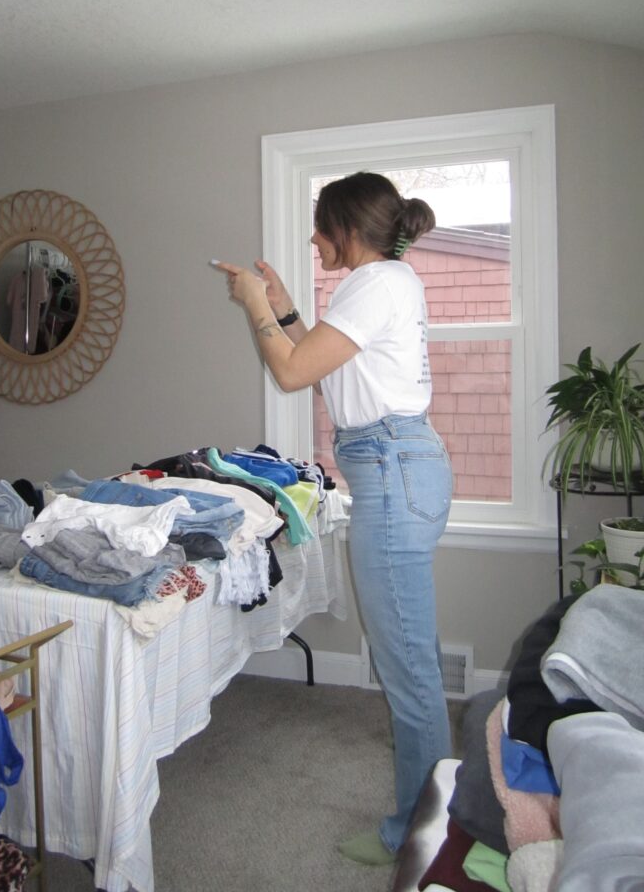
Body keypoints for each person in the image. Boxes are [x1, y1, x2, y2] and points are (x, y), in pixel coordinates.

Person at [213, 171, 453, 864]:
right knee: (414, 659)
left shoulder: (377, 284)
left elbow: (289, 373)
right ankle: (429, 817)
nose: (314, 239)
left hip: (392, 469)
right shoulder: (383, 283)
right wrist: (285, 308)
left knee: (407, 671)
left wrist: (255, 307)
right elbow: (320, 361)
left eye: (321, 227)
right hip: (397, 465)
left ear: (347, 229)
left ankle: (421, 839)